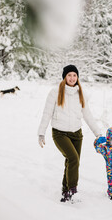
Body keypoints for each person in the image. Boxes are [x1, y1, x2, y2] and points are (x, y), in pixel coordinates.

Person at [38, 64, 101, 202]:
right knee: (73, 159)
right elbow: (47, 113)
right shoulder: (55, 92)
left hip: (76, 134)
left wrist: (98, 133)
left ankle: (65, 191)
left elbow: (87, 115)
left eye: (74, 75)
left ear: (77, 77)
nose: (72, 78)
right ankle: (73, 190)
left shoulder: (81, 93)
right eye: (69, 75)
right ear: (64, 77)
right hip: (60, 134)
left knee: (71, 162)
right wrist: (41, 133)